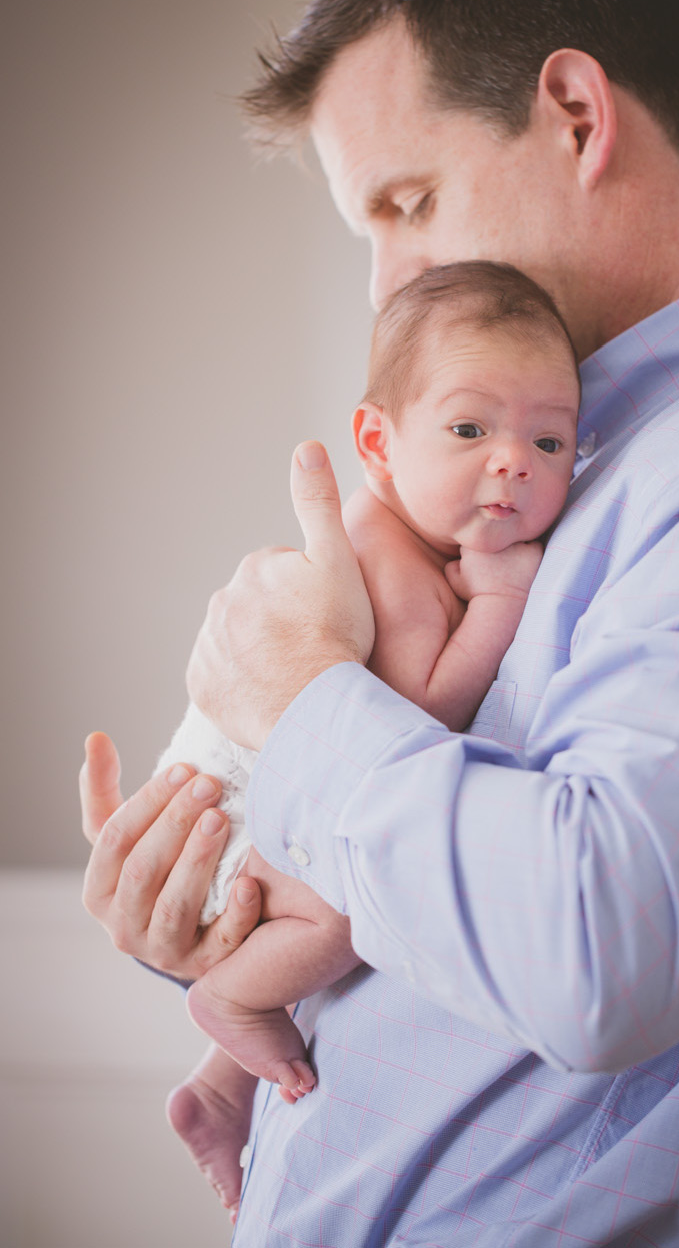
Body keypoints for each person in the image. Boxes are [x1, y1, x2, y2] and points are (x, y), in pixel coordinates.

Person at [80, 0, 679, 1242]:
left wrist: (297, 699)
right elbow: (436, 917)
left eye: (408, 202)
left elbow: (603, 947)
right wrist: (219, 909)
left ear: (577, 113)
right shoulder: (557, 454)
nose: (388, 284)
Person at [155, 258, 580, 1218]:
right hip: (230, 819)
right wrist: (501, 606)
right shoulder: (383, 555)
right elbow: (414, 717)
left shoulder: (418, 537)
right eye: (470, 429)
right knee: (346, 915)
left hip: (259, 806)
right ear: (376, 442)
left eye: (549, 440)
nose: (512, 459)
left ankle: (218, 1091)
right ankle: (229, 1003)